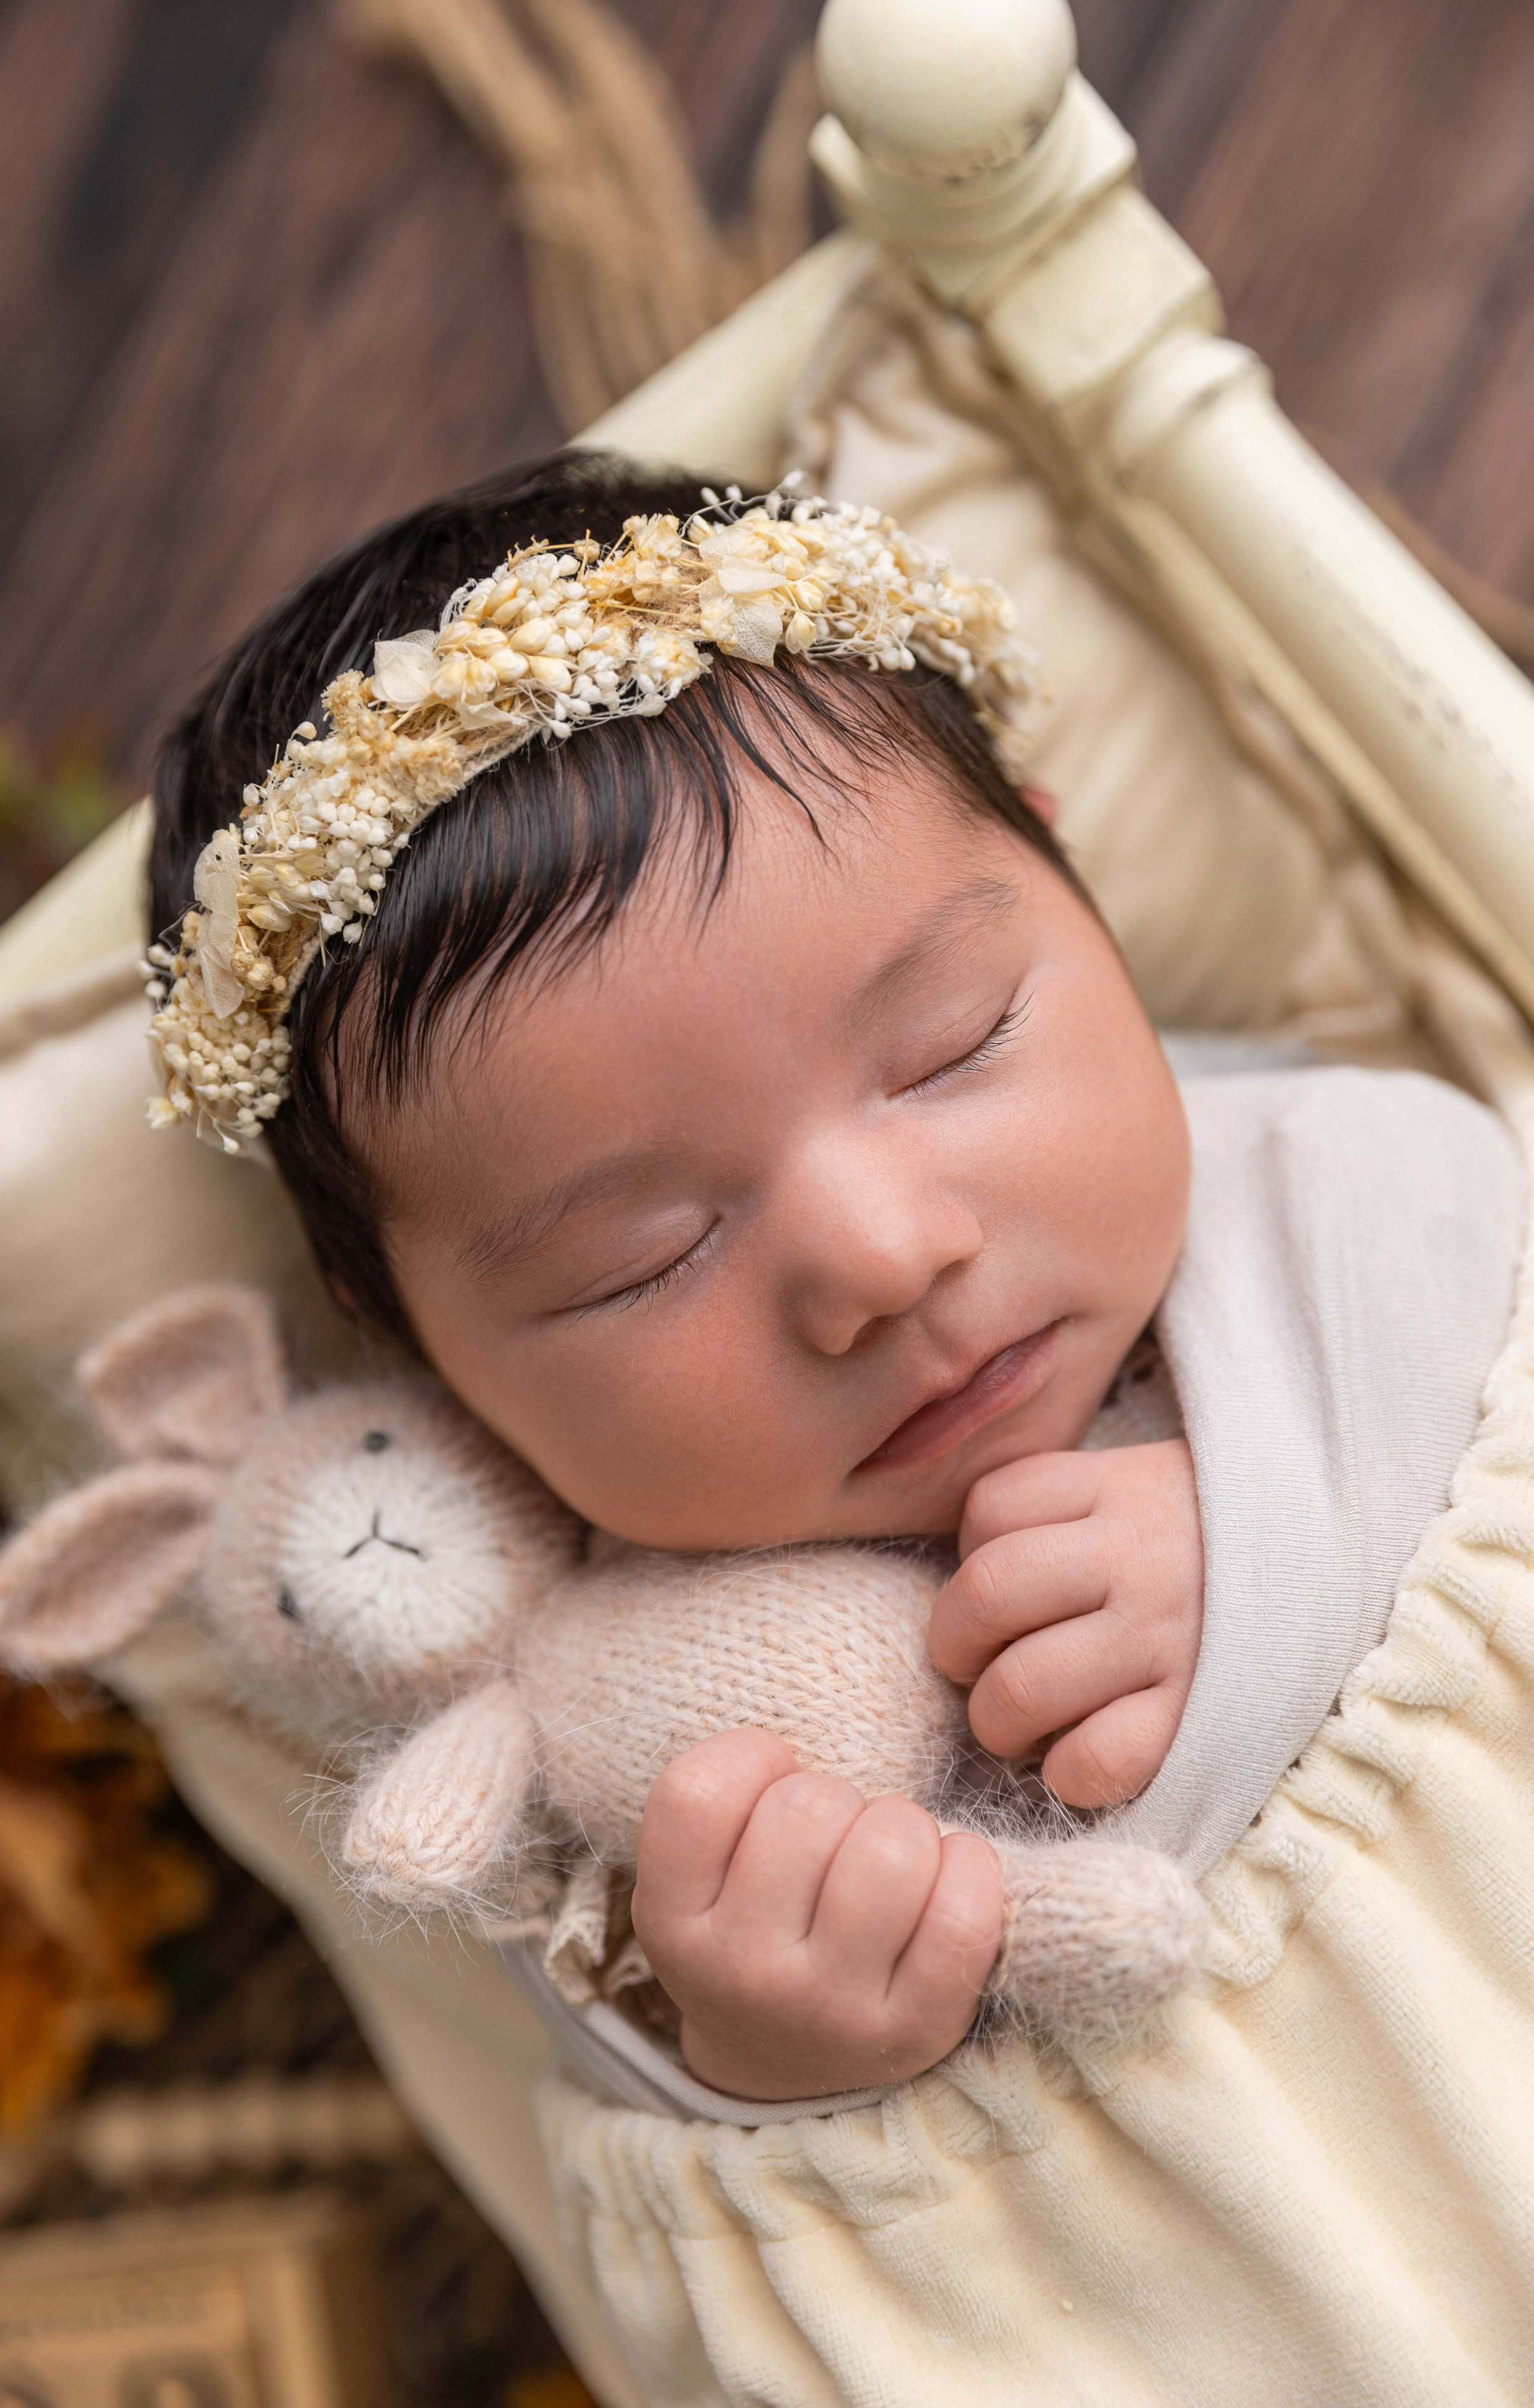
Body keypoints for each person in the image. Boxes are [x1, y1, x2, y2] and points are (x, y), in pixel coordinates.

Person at [144, 447, 1517, 2104]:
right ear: (427, 1352)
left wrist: (1285, 1538)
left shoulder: (1352, 1187)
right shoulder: (610, 1717)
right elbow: (784, 2267)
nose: (879, 1257)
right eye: (637, 1257)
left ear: (1079, 892)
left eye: (950, 1049)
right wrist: (773, 2054)